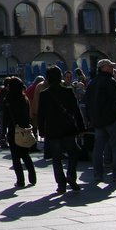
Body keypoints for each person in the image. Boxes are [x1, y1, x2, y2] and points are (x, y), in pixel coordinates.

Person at [37, 65, 85, 193]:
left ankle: (61, 184)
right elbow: (77, 111)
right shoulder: (68, 91)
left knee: (56, 158)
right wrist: (81, 127)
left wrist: (41, 130)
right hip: (68, 128)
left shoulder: (44, 94)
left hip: (53, 131)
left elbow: (41, 114)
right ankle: (71, 176)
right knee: (73, 153)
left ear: (47, 78)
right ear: (60, 77)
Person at [85, 58, 116, 183]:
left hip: (98, 121)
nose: (112, 68)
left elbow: (87, 103)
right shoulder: (110, 82)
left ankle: (97, 174)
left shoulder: (92, 83)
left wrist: (90, 119)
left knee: (99, 148)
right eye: (109, 66)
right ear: (103, 68)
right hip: (112, 120)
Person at [3, 76, 36, 188]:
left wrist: (2, 134)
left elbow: (5, 119)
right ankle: (32, 178)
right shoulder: (25, 99)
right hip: (25, 130)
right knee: (26, 155)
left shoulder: (8, 100)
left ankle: (20, 181)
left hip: (13, 130)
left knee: (16, 157)